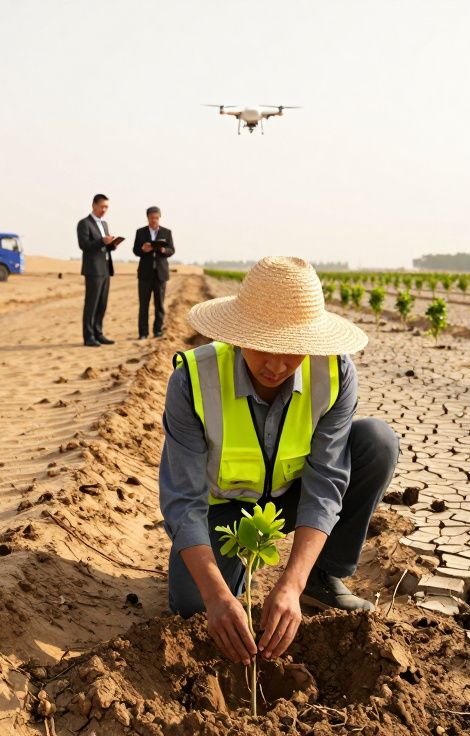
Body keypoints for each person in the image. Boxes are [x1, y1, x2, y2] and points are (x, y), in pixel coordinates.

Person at [158, 256, 400, 666]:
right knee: (194, 609)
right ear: (238, 336)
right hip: (226, 509)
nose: (276, 365)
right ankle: (227, 584)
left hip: (293, 495)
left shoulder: (335, 374)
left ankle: (323, 578)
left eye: (292, 351)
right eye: (263, 346)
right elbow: (183, 498)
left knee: (376, 441)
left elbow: (325, 482)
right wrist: (217, 595)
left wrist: (291, 583)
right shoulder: (194, 380)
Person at [77, 194, 118, 347]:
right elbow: (84, 245)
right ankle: (88, 337)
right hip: (93, 269)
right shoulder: (84, 223)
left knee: (102, 304)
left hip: (105, 268)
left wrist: (112, 244)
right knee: (91, 304)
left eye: (106, 207)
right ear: (93, 205)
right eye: (102, 206)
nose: (104, 210)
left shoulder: (104, 224)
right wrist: (102, 241)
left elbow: (104, 246)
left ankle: (98, 334)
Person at [133, 206, 175, 339]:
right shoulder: (140, 232)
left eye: (156, 218)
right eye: (152, 218)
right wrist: (143, 249)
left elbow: (172, 250)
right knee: (143, 305)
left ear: (159, 218)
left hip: (160, 274)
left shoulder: (166, 232)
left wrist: (164, 251)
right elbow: (135, 250)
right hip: (145, 274)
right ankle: (143, 333)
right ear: (148, 218)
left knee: (159, 305)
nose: (154, 220)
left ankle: (157, 331)